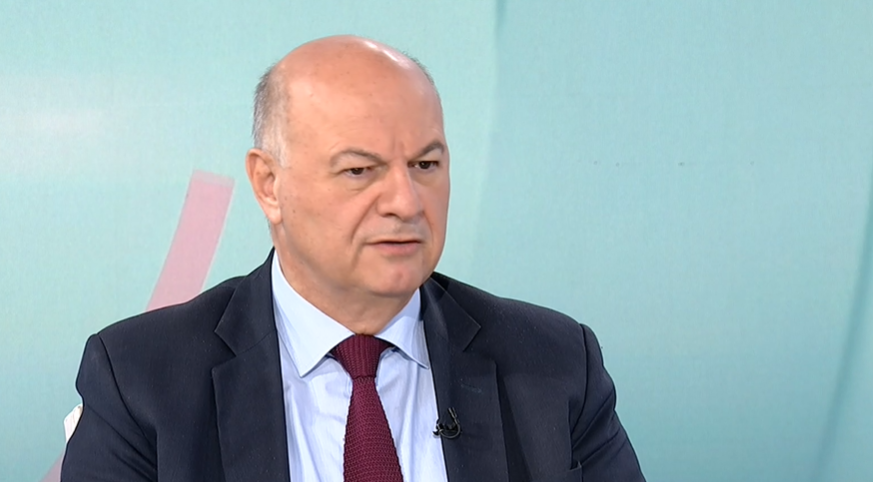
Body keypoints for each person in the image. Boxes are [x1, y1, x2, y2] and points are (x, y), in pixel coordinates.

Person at [61, 35, 644, 482]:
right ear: (269, 185)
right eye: (360, 170)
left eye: (426, 165)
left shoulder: (555, 365)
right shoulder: (141, 380)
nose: (405, 202)